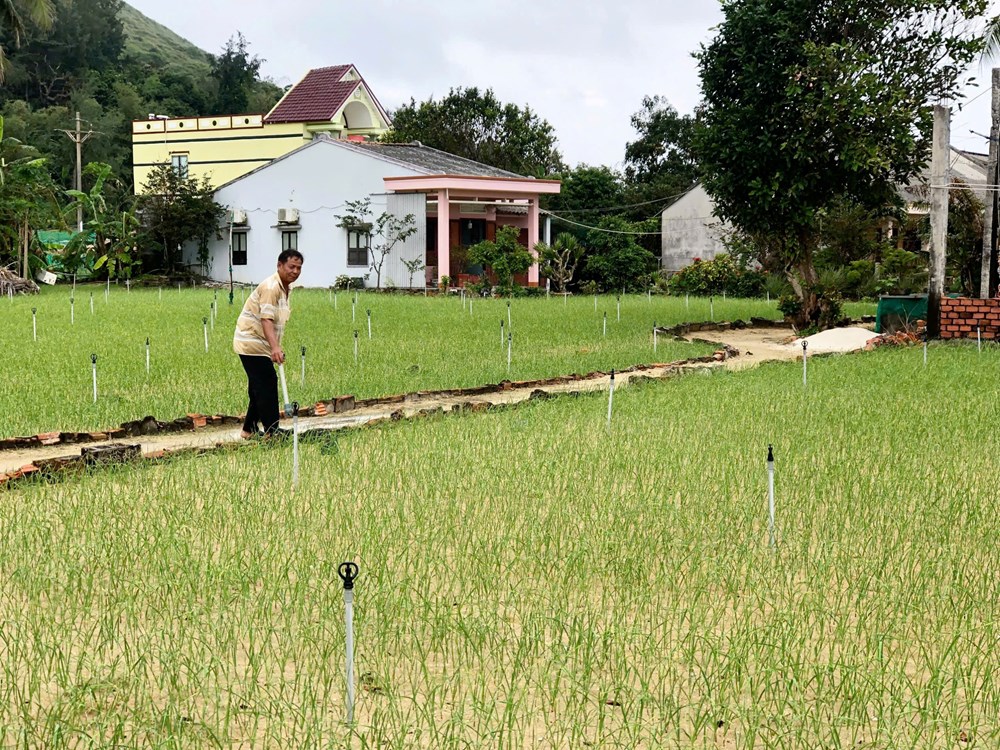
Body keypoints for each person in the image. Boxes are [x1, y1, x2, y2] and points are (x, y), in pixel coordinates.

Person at [234, 250, 303, 438]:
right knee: (267, 383)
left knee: (259, 387)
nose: (295, 271)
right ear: (279, 265)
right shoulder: (271, 287)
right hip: (251, 341)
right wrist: (275, 348)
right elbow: (266, 319)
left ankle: (248, 430)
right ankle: (272, 431)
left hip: (260, 343)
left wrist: (273, 346)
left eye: (298, 268)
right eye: (291, 267)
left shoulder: (285, 288)